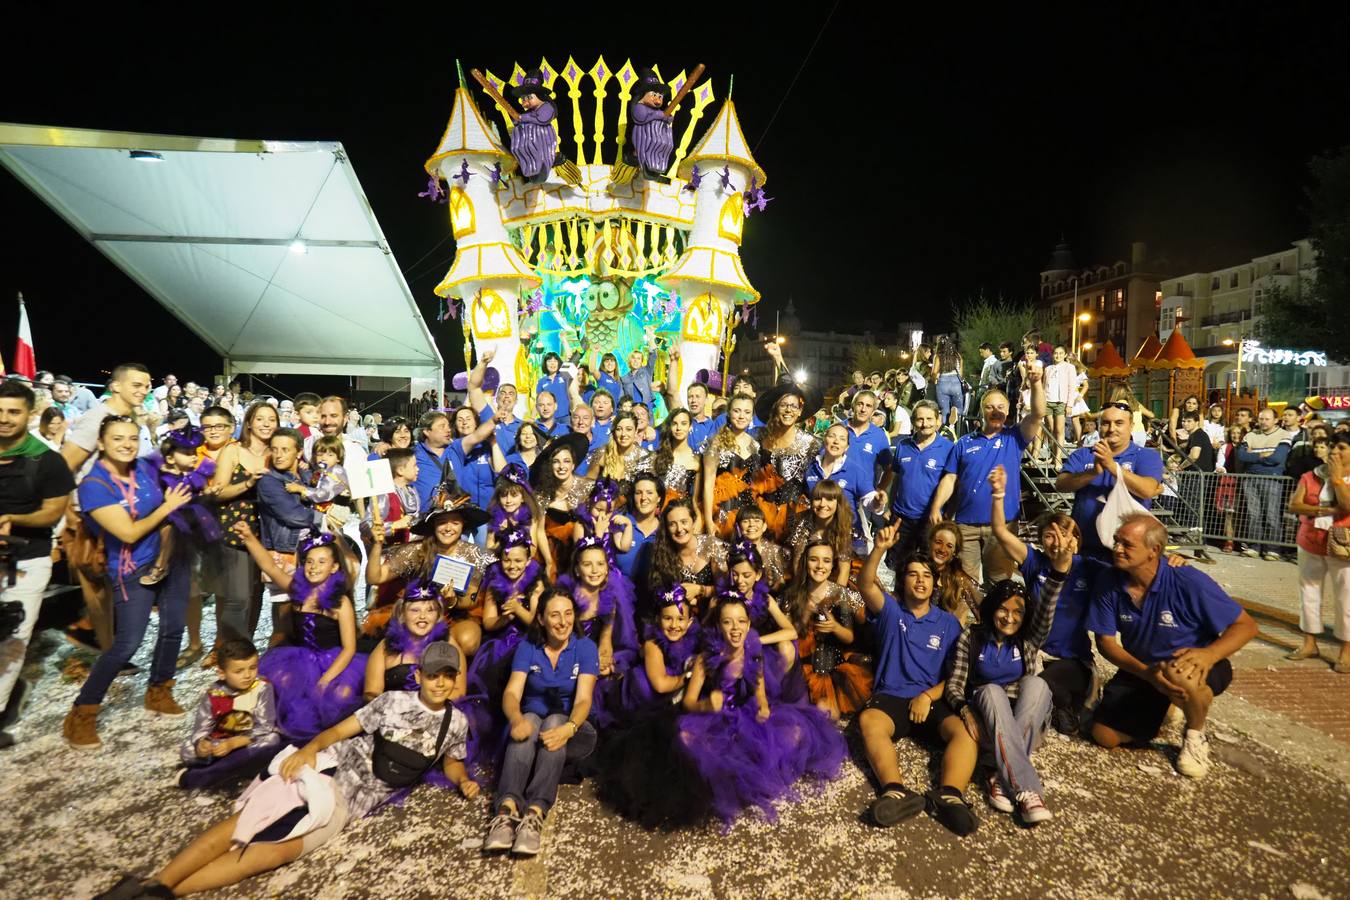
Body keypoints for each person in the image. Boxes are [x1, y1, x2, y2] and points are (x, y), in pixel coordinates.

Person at [99, 642, 473, 899]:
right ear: (420, 675)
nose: (439, 682)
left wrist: (464, 781)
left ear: (455, 678)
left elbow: (451, 760)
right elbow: (341, 730)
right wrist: (308, 750)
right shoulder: (391, 702)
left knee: (270, 854)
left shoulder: (456, 724)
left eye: (447, 675)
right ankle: (157, 882)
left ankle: (157, 892)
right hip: (328, 767)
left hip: (347, 802)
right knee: (244, 825)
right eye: (432, 674)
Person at [1088, 514, 1258, 777]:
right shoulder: (1109, 581)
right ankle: (1169, 705)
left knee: (1179, 675)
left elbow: (1247, 626)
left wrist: (1209, 655)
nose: (1117, 549)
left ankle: (1194, 736)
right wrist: (1146, 673)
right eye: (1116, 541)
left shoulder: (1188, 580)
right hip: (1144, 667)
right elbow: (1106, 643)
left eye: (1127, 544)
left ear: (1154, 550)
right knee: (1104, 735)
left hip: (1195, 663)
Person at [62, 417, 194, 750]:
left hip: (171, 559)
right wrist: (168, 506)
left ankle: (159, 690)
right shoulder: (95, 485)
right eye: (118, 438)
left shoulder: (144, 470)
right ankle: (82, 712)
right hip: (131, 568)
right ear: (102, 443)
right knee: (127, 643)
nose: (127, 444)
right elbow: (128, 532)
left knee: (173, 627)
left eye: (133, 438)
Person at [667, 591, 844, 826]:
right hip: (715, 720)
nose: (735, 628)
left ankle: (746, 774)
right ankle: (727, 778)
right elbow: (688, 702)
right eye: (727, 622)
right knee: (686, 738)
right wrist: (706, 704)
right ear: (718, 625)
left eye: (741, 621)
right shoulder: (707, 658)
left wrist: (763, 707)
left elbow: (760, 694)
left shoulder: (753, 653)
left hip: (746, 718)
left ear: (749, 623)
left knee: (794, 732)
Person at [856, 527, 978, 835]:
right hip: (892, 696)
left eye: (926, 575)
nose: (920, 580)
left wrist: (928, 697)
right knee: (869, 721)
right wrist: (879, 548)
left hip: (930, 698)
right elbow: (866, 584)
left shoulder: (948, 623)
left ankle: (950, 795)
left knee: (966, 732)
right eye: (913, 574)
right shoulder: (890, 611)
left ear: (935, 583)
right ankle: (895, 790)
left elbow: (956, 673)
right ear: (903, 580)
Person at [944, 536, 1071, 824]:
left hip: (1022, 719)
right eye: (1004, 609)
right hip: (988, 720)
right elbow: (954, 683)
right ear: (992, 609)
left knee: (1038, 684)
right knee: (989, 691)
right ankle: (1027, 790)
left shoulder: (1027, 639)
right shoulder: (972, 637)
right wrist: (964, 710)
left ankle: (997, 772)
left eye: (1018, 612)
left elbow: (1047, 607)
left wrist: (1058, 572)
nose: (1010, 618)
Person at [483, 589, 600, 856]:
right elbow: (512, 693)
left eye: (568, 614)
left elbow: (583, 700)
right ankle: (506, 810)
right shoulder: (528, 647)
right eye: (555, 615)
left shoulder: (585, 647)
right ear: (541, 620)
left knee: (555, 720)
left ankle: (534, 813)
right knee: (530, 720)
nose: (562, 622)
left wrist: (568, 729)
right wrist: (515, 719)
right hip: (534, 726)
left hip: (574, 728)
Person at [0, 380, 74, 749]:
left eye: (13, 412)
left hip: (27, 560)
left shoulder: (47, 459)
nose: (4, 419)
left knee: (13, 638)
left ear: (29, 415)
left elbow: (54, 510)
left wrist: (12, 519)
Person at [239, 529, 365, 744]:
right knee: (282, 688)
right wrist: (249, 538)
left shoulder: (340, 603)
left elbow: (349, 649)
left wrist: (326, 679)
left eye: (322, 562)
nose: (314, 567)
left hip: (334, 661)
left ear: (334, 567)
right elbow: (269, 566)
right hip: (299, 658)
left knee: (337, 696)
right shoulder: (297, 589)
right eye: (309, 561)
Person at [929, 368, 1044, 583]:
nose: (995, 411)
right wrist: (937, 507)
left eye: (1000, 407)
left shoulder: (1015, 437)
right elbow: (950, 478)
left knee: (999, 584)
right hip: (966, 526)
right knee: (963, 588)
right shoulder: (963, 443)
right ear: (982, 410)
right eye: (990, 407)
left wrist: (1036, 383)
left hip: (1002, 527)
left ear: (1008, 411)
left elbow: (1038, 413)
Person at [363, 500, 495, 651]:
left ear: (463, 524)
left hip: (457, 614)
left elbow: (470, 600)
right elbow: (374, 578)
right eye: (442, 522)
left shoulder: (475, 555)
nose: (448, 528)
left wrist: (451, 601)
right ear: (433, 525)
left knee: (468, 641)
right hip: (419, 612)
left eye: (455, 522)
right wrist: (377, 545)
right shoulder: (417, 551)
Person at [1055, 401, 1165, 562]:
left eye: (1119, 423)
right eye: (1106, 423)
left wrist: (1112, 467)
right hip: (1085, 549)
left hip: (1128, 552)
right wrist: (1092, 473)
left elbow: (1147, 490)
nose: (1112, 428)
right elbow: (1061, 484)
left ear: (1131, 425)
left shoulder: (1146, 456)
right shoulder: (1083, 455)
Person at [782, 538, 871, 718]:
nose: (820, 565)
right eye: (814, 559)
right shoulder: (794, 593)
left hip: (830, 666)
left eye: (826, 560)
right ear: (806, 562)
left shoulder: (840, 595)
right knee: (793, 711)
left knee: (827, 714)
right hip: (800, 662)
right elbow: (786, 630)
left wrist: (835, 627)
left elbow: (849, 637)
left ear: (832, 567)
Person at [177, 638, 281, 789]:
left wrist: (234, 743)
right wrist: (202, 744)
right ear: (221, 673)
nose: (247, 675)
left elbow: (264, 727)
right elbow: (202, 727)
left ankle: (216, 770)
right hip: (221, 742)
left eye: (252, 668)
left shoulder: (262, 688)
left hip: (247, 742)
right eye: (239, 671)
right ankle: (230, 766)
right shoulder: (214, 693)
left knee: (272, 739)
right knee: (188, 749)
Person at [1285, 433, 1350, 671]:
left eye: (1341, 448)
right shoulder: (1310, 475)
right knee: (1309, 594)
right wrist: (1324, 511)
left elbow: (1347, 506)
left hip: (1343, 547)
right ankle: (1309, 642)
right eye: (1332, 447)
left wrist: (1337, 480)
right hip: (1310, 541)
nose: (1334, 452)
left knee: (1346, 599)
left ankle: (1346, 650)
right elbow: (1294, 504)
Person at [874, 400, 951, 560]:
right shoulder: (903, 445)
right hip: (901, 518)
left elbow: (952, 483)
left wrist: (948, 514)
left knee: (927, 568)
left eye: (930, 419)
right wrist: (890, 508)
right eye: (920, 419)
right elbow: (896, 479)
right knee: (896, 567)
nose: (925, 424)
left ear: (938, 421)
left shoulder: (948, 448)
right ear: (914, 421)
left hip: (930, 520)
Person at [1235, 407, 1294, 561]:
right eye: (1261, 418)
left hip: (1272, 479)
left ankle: (1272, 549)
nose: (1263, 421)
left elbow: (1277, 458)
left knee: (1271, 515)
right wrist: (1263, 455)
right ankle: (1254, 547)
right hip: (1250, 478)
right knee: (1253, 514)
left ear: (1275, 420)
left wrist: (1253, 453)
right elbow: (1241, 455)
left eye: (1267, 419)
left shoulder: (1283, 435)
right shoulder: (1250, 434)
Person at [701, 395, 761, 540]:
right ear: (729, 413)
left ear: (752, 415)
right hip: (723, 513)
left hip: (749, 517)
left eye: (747, 412)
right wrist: (709, 520)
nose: (741, 416)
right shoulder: (717, 443)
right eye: (737, 411)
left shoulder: (755, 444)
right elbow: (708, 484)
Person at [786, 480, 854, 585]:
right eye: (818, 499)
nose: (822, 504)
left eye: (829, 499)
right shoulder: (803, 521)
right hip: (806, 575)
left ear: (838, 503)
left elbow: (843, 570)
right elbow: (797, 563)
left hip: (832, 575)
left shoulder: (843, 526)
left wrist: (836, 598)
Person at [652, 408, 700, 506]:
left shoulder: (697, 460)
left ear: (690, 427)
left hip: (686, 514)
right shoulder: (657, 456)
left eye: (684, 423)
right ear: (670, 426)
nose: (679, 428)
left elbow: (697, 499)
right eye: (674, 424)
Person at [933, 336, 965, 433]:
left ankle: (945, 433)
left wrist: (934, 379)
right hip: (956, 382)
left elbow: (934, 372)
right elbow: (961, 373)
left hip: (943, 382)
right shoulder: (957, 356)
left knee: (944, 410)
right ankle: (956, 428)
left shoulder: (938, 356)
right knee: (959, 408)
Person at [535, 352, 572, 425]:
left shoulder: (564, 375)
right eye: (549, 361)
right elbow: (538, 401)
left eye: (555, 361)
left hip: (566, 417)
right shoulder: (541, 381)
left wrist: (564, 340)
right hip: (549, 419)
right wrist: (532, 417)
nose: (552, 364)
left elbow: (569, 357)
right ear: (545, 364)